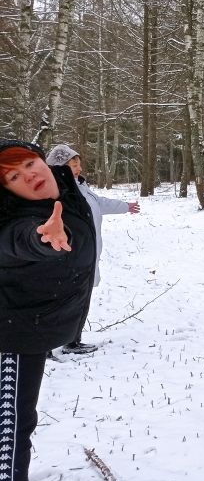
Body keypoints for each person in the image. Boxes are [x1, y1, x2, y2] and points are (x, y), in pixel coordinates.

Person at [0, 139, 88, 481]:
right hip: (10, 336)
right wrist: (43, 238)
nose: (29, 175)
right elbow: (20, 239)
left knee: (17, 422)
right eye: (14, 177)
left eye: (30, 163)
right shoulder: (17, 220)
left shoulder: (65, 189)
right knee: (10, 429)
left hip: (26, 329)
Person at [46, 144, 140, 355]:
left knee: (80, 300)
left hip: (86, 257)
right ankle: (46, 346)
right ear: (59, 167)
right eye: (74, 165)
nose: (79, 168)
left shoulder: (81, 187)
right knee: (58, 302)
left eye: (79, 164)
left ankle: (73, 341)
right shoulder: (55, 191)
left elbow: (99, 203)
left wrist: (125, 206)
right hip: (65, 258)